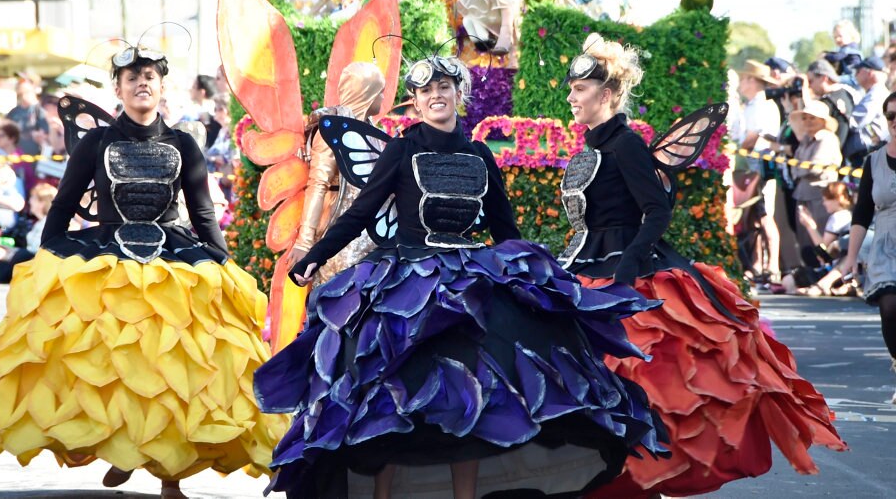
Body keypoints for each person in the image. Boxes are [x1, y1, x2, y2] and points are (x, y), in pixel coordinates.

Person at [255, 55, 667, 498]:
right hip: (407, 284)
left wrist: (532, 277)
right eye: (426, 90)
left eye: (445, 87)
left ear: (459, 95)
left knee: (479, 398)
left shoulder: (479, 154)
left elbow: (505, 229)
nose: (436, 95)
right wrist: (314, 253)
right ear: (413, 101)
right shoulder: (402, 149)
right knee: (390, 393)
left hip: (470, 283)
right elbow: (360, 212)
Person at [0, 48, 286, 498]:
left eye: (150, 77)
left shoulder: (184, 144)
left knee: (172, 372)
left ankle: (169, 478)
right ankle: (121, 449)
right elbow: (63, 206)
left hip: (172, 263)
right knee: (113, 365)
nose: (142, 83)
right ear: (118, 89)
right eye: (132, 77)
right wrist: (55, 259)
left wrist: (221, 264)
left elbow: (202, 213)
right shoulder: (96, 143)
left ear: (162, 87)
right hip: (109, 259)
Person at [558, 34, 845, 498]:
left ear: (607, 95)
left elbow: (656, 210)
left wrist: (629, 269)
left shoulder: (626, 144)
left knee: (642, 378)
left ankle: (636, 475)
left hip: (623, 272)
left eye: (580, 90)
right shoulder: (593, 148)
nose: (571, 98)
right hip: (586, 267)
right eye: (571, 89)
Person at [285, 61, 385, 286]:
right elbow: (318, 184)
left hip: (370, 234)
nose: (383, 99)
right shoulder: (332, 130)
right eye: (381, 92)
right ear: (367, 94)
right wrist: (305, 242)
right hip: (336, 228)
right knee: (336, 295)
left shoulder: (375, 133)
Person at [837, 90, 896, 404]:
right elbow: (861, 214)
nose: (895, 122)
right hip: (886, 244)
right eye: (891, 116)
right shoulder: (873, 161)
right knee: (889, 308)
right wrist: (849, 259)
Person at [731, 59, 783, 280]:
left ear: (752, 80)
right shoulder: (751, 106)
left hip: (761, 168)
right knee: (753, 218)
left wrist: (738, 150)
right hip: (751, 168)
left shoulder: (764, 106)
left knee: (765, 215)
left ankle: (773, 266)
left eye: (744, 79)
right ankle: (757, 265)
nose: (741, 84)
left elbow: (752, 137)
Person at [788, 100, 842, 265]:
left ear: (823, 121)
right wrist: (800, 169)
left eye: (813, 118)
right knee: (804, 236)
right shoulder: (805, 139)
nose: (808, 121)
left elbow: (815, 167)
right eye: (805, 118)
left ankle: (823, 270)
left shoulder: (827, 139)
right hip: (802, 192)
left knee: (820, 234)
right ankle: (809, 270)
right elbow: (795, 166)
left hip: (820, 194)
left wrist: (800, 170)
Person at [807, 59, 856, 161]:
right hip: (841, 157)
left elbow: (805, 132)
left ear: (824, 78)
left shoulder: (828, 102)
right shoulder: (847, 94)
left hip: (827, 160)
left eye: (811, 81)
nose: (809, 86)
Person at [851, 55, 891, 153]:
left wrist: (841, 115)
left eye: (858, 71)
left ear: (870, 73)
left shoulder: (876, 94)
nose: (855, 75)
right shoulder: (878, 92)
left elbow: (855, 122)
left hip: (879, 149)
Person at [5, 75, 50, 156]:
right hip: (15, 159)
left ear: (34, 86)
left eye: (24, 80)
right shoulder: (13, 113)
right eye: (19, 81)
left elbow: (47, 137)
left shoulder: (41, 111)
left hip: (34, 160)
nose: (20, 83)